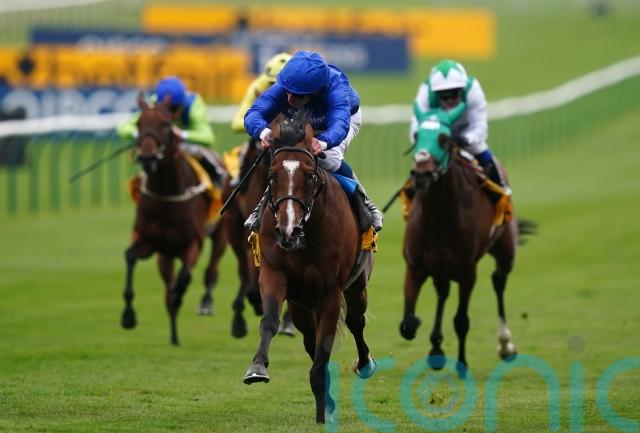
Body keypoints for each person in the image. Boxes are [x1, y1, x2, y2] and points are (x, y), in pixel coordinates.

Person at [243, 50, 383, 232]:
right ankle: (262, 206)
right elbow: (254, 113)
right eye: (288, 92)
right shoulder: (288, 86)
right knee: (284, 158)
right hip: (303, 120)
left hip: (344, 120)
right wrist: (263, 132)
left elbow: (340, 123)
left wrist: (324, 142)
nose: (289, 99)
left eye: (298, 95)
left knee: (329, 159)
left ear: (316, 91)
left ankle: (364, 202)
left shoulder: (336, 87)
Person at [409, 59, 510, 195]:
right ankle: (410, 201)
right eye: (444, 96)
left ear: (462, 89)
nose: (450, 100)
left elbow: (480, 126)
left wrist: (467, 139)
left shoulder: (473, 90)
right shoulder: (425, 92)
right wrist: (421, 140)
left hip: (465, 135)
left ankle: (502, 192)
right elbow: (416, 124)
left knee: (482, 152)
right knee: (419, 168)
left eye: (454, 93)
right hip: (436, 140)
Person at [117, 76, 225, 186]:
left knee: (194, 150)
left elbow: (208, 137)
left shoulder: (193, 105)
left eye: (174, 109)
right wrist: (142, 134)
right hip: (164, 147)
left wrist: (181, 134)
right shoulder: (154, 104)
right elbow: (123, 128)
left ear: (182, 104)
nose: (170, 115)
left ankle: (218, 177)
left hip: (189, 145)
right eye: (166, 109)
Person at [231, 52, 291, 133]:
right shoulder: (259, 86)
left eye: (278, 84)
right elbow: (236, 124)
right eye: (271, 83)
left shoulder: (303, 87)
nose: (275, 88)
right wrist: (261, 123)